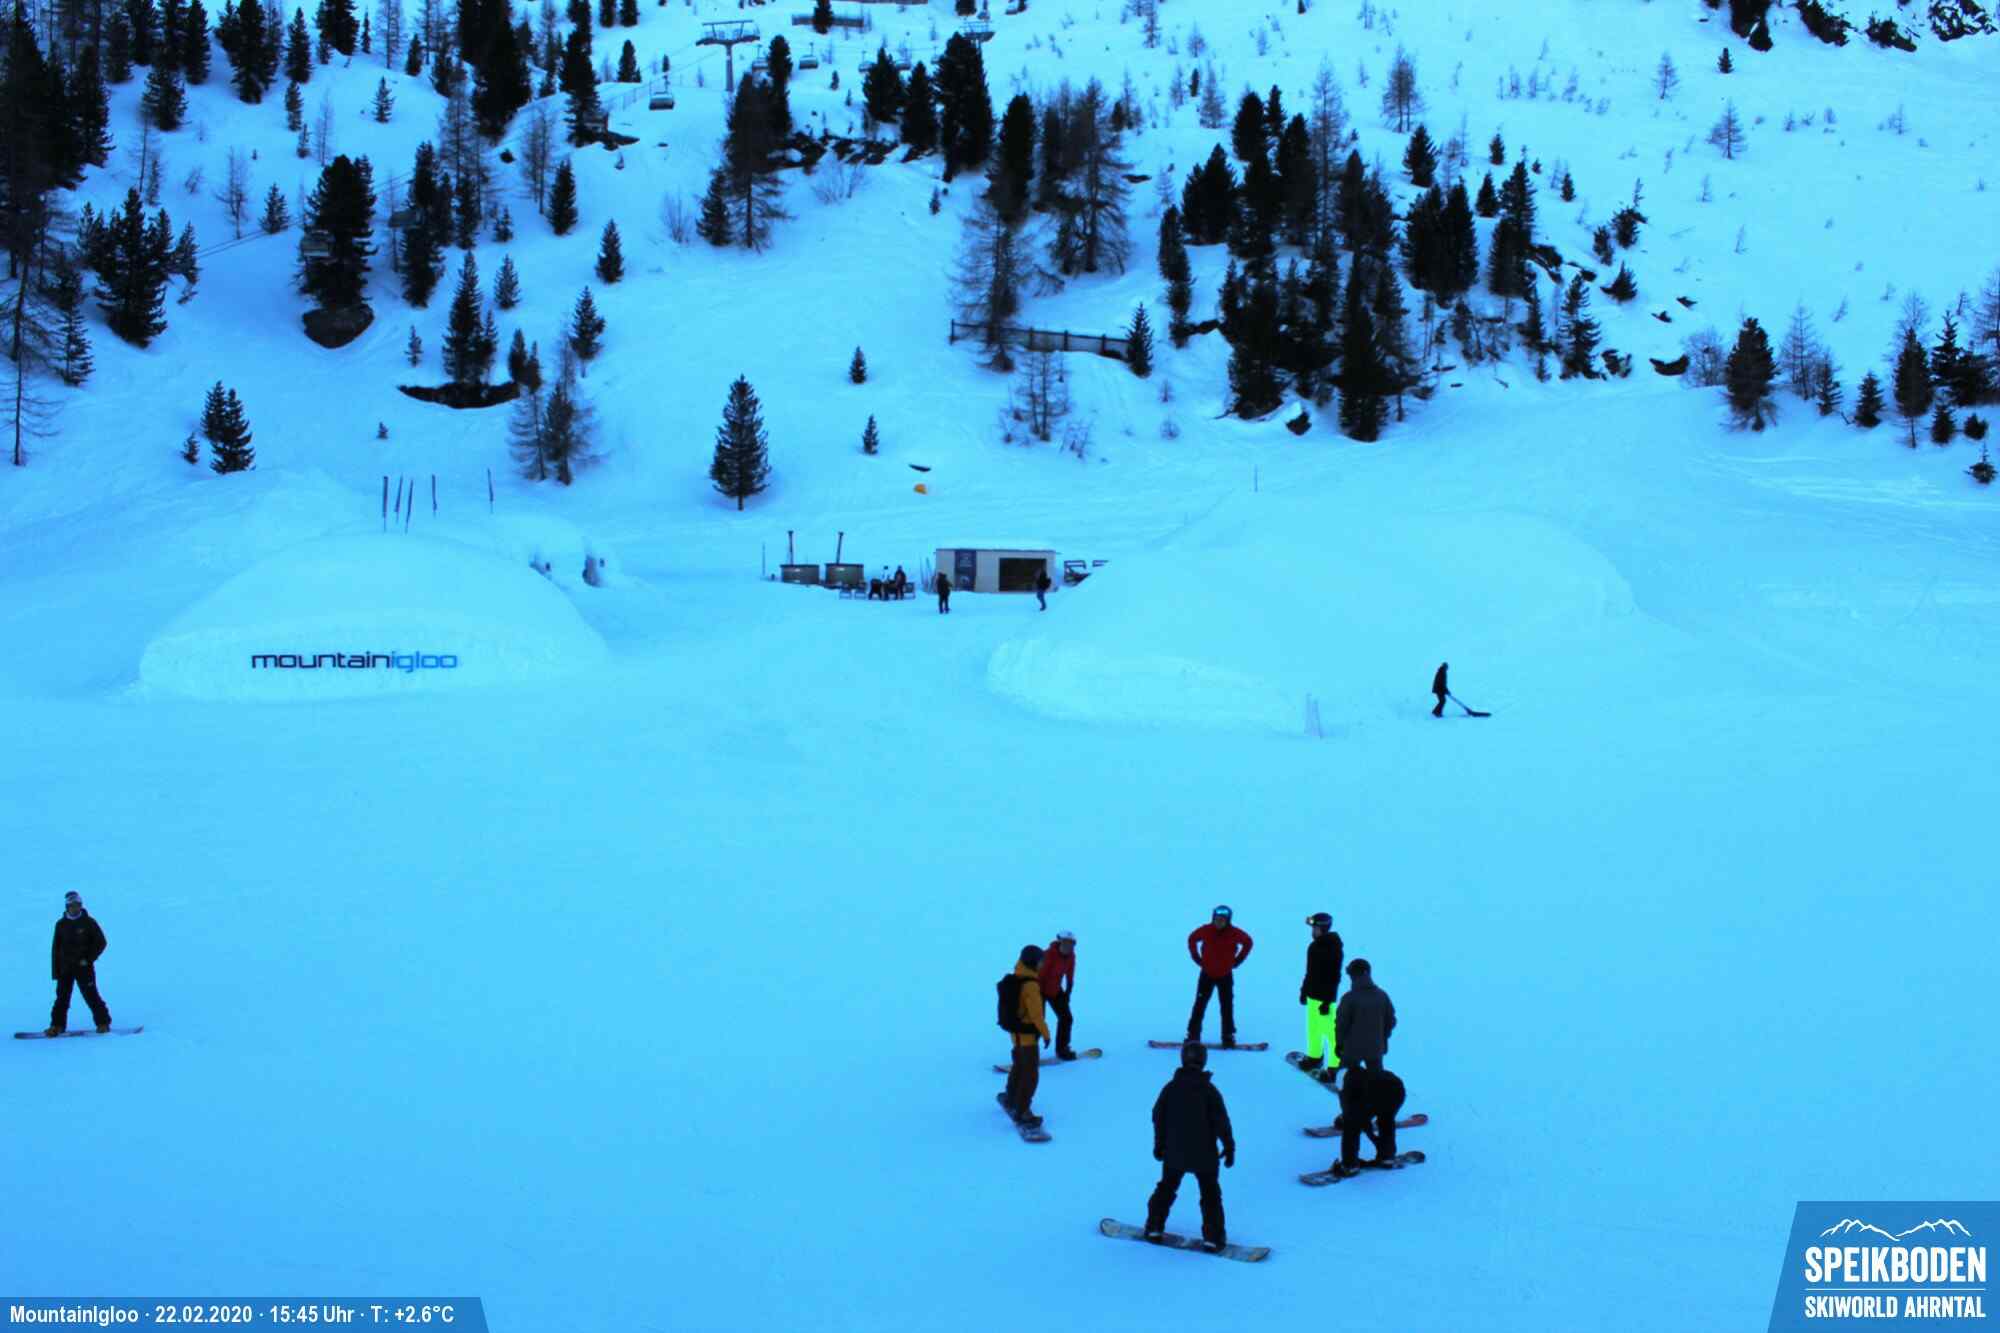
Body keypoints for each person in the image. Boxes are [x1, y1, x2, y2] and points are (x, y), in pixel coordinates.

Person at [1145, 1042, 1236, 1248]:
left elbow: (1158, 1117)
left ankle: (1154, 1226)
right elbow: (1221, 1121)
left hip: (1174, 1152)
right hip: (1205, 1154)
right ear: (1203, 1061)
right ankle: (1213, 1237)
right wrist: (1229, 1146)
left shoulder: (1170, 1088)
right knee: (1210, 1193)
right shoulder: (1209, 1090)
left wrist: (1159, 1144)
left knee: (1166, 1188)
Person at [1185, 905, 1253, 1048]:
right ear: (1213, 918)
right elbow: (1192, 939)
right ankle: (1193, 1035)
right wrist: (1196, 958)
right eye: (1217, 919)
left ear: (1228, 920)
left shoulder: (1234, 933)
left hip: (1225, 975)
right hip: (1207, 975)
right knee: (1199, 1005)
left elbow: (1248, 942)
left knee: (1226, 1006)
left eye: (1222, 920)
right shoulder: (1206, 930)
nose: (1219, 922)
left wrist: (1238, 960)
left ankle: (1228, 1036)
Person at [47, 891, 111, 1037]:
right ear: (67, 907)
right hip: (65, 968)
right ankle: (57, 1026)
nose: (75, 908)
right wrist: (56, 971)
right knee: (62, 998)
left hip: (84, 968)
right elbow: (56, 949)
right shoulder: (61, 924)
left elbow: (101, 942)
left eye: (77, 905)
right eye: (72, 905)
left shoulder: (89, 922)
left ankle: (103, 1023)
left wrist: (88, 958)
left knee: (91, 995)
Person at [1002, 944, 1050, 1126]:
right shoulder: (1030, 985)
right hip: (1028, 1037)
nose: (1042, 964)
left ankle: (1011, 1097)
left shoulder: (1017, 978)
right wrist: (1046, 1034)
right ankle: (1022, 1111)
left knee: (1018, 1067)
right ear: (1032, 962)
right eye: (1040, 961)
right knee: (1030, 1075)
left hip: (1016, 1035)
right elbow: (1036, 1015)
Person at [1332, 1064, 1408, 1177]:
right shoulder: (1359, 1073)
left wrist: (1349, 1120)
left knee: (1351, 1128)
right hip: (1396, 1089)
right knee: (1386, 1121)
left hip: (1376, 1093)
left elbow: (1355, 1115)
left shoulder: (1345, 1084)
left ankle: (1349, 1165)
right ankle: (1387, 1157)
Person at [1297, 911, 1344, 1083]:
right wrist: (1304, 991)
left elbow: (1335, 977)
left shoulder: (1333, 948)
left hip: (1325, 999)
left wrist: (1327, 1001)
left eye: (1315, 928)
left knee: (1330, 1034)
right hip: (1313, 996)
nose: (1312, 931)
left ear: (1323, 928)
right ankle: (1314, 1057)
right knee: (1314, 1030)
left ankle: (1334, 1066)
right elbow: (1309, 972)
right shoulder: (1314, 946)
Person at [1335, 958, 1396, 1083]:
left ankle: (1345, 1088)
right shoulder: (1382, 996)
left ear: (1353, 976)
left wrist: (1339, 1044)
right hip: (1376, 1048)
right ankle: (1376, 1092)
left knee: (1344, 1076)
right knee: (1376, 1080)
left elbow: (1341, 1025)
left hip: (1352, 1049)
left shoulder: (1349, 998)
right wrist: (1382, 1038)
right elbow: (1391, 1021)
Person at [1038, 931, 1077, 1059]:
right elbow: (1040, 975)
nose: (1069, 946)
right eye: (1066, 943)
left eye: (1072, 944)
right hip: (1039, 989)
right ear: (1060, 942)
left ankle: (1062, 1049)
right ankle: (1030, 1053)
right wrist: (1037, 996)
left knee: (1066, 1018)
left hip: (1055, 990)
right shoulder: (1048, 954)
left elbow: (1070, 974)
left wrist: (1068, 992)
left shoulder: (1071, 956)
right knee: (1037, 1021)